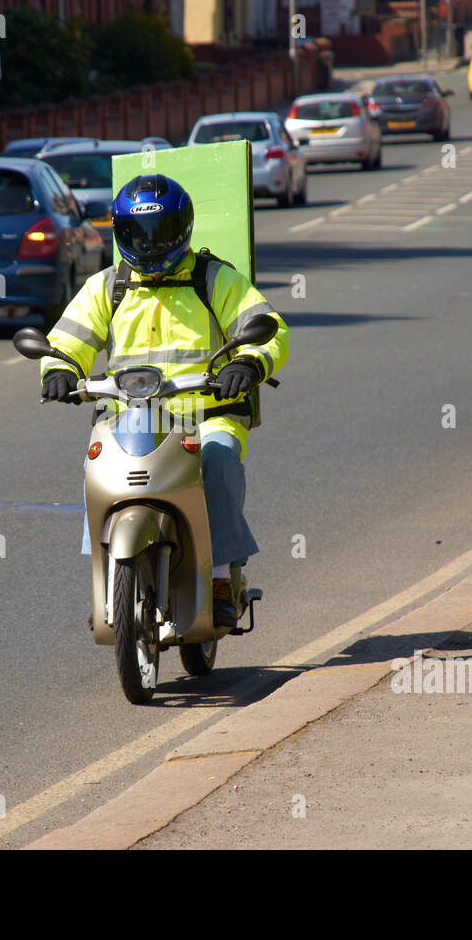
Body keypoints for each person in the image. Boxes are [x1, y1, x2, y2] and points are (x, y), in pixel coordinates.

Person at [39, 173, 289, 630]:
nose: (150, 245)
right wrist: (58, 369)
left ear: (184, 229)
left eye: (161, 232)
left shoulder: (214, 278)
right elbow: (67, 340)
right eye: (138, 234)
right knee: (95, 469)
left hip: (207, 414)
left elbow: (266, 326)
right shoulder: (107, 287)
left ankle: (218, 576)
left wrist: (249, 365)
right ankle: (109, 574)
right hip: (130, 415)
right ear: (121, 233)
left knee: (216, 463)